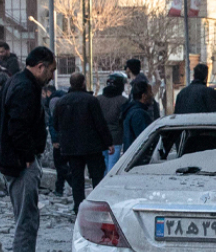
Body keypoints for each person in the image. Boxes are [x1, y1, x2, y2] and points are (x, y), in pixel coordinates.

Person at [0, 46, 56, 252]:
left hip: (13, 160)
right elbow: (17, 126)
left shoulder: (17, 82)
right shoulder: (25, 87)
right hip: (20, 164)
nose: (51, 76)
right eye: (50, 70)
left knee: (25, 217)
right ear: (41, 66)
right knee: (27, 219)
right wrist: (28, 157)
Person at [53, 72, 113, 212]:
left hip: (72, 147)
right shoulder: (90, 100)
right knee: (97, 176)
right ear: (83, 83)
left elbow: (56, 124)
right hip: (92, 146)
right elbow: (100, 123)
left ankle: (78, 206)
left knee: (77, 178)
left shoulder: (62, 102)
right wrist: (108, 142)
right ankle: (98, 203)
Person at [99, 73, 128, 171]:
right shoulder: (123, 101)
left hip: (100, 139)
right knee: (112, 168)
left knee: (102, 167)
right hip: (116, 139)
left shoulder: (98, 100)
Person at [122, 80, 157, 148]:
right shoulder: (139, 114)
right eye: (150, 92)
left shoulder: (132, 110)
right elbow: (145, 139)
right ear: (144, 96)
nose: (152, 94)